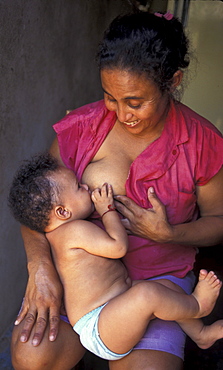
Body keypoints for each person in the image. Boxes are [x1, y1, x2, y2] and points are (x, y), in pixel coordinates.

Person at [11, 11, 223, 370]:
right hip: (85, 284)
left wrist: (170, 232)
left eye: (135, 102)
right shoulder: (82, 127)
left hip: (158, 281)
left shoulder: (202, 142)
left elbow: (219, 221)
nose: (122, 114)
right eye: (111, 97)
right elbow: (38, 205)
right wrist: (41, 266)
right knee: (32, 355)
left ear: (172, 81)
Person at [8, 152, 223, 362]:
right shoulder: (74, 231)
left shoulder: (57, 235)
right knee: (147, 294)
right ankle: (197, 306)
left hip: (112, 306)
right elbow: (118, 247)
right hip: (99, 325)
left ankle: (200, 334)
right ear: (63, 212)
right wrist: (107, 210)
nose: (85, 187)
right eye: (78, 186)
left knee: (167, 288)